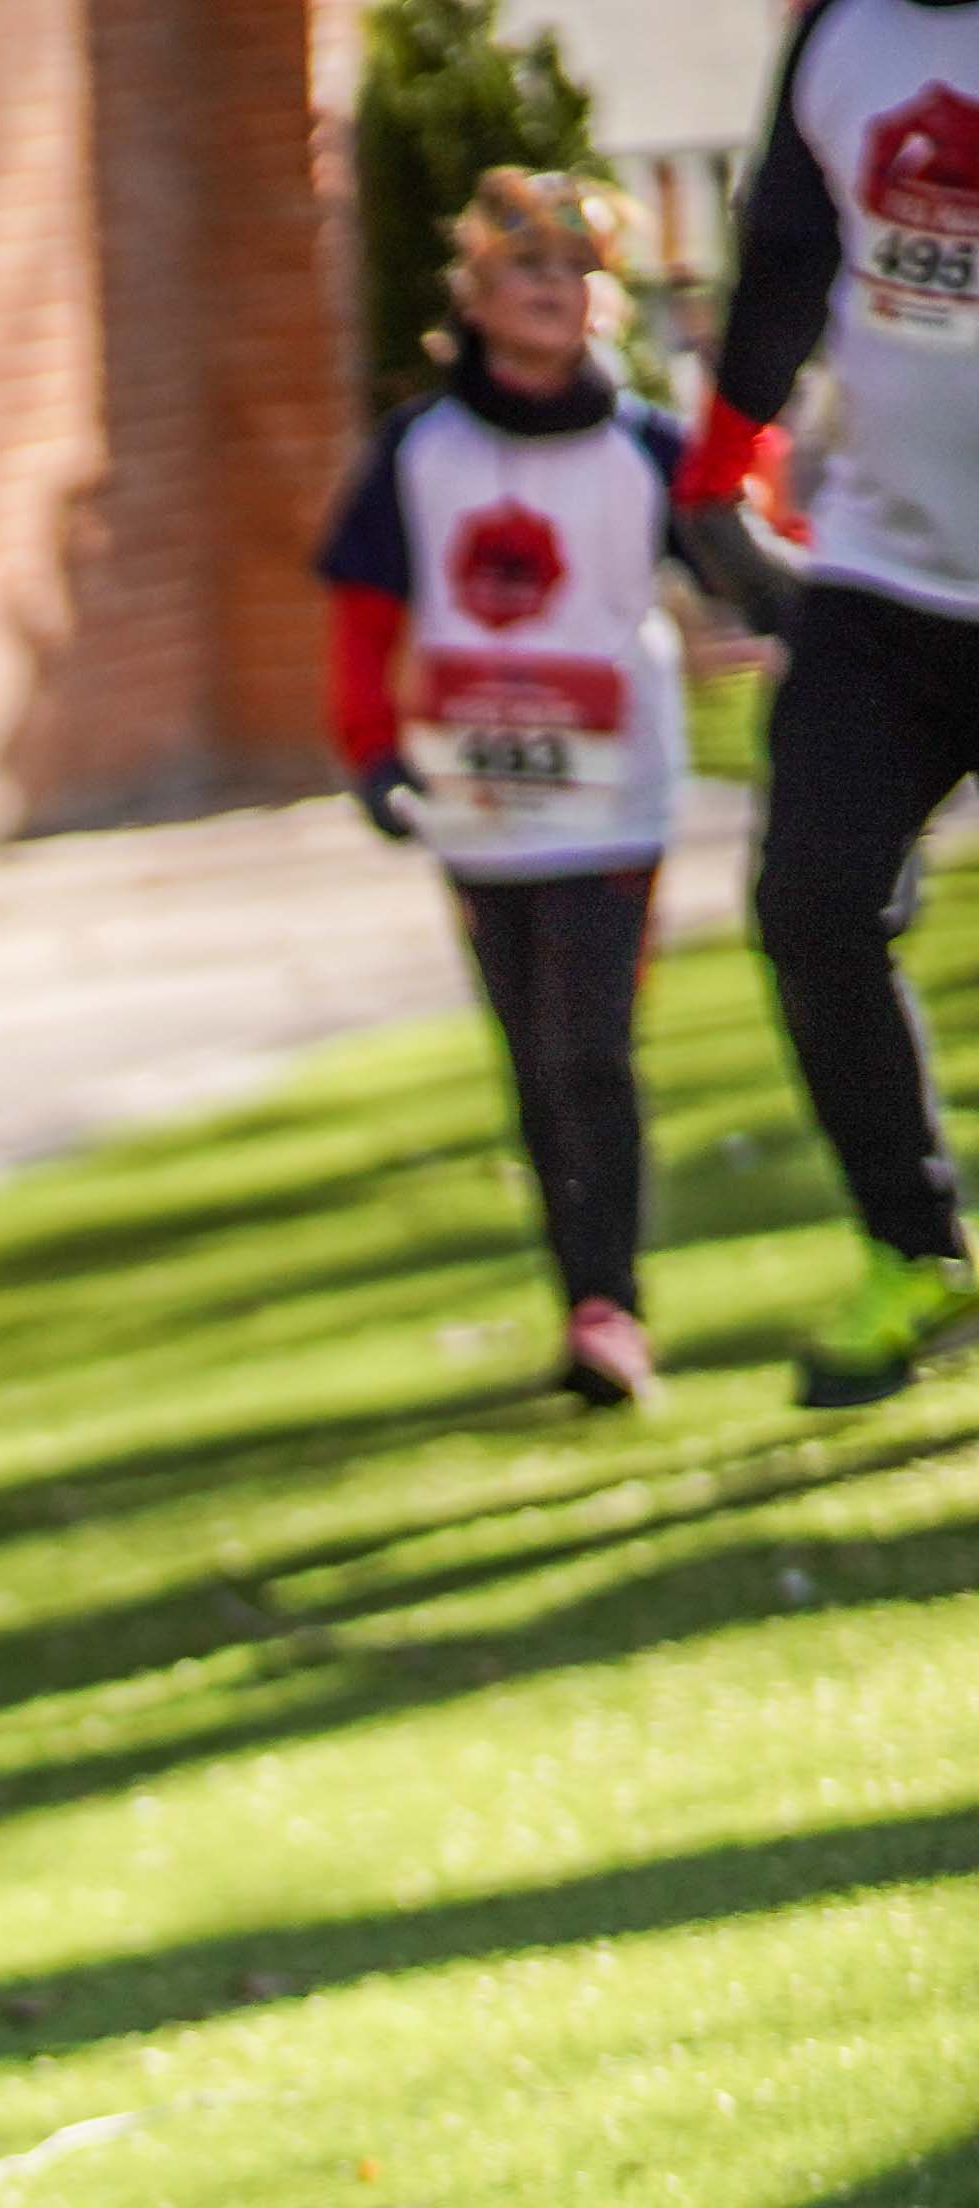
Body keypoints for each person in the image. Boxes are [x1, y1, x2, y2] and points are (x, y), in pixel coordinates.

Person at [323, 169, 701, 1410]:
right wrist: (371, 750)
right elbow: (364, 607)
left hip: (614, 800)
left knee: (595, 1048)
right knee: (534, 1061)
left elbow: (757, 558)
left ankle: (614, 1308)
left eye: (578, 272)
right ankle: (581, 1299)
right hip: (479, 804)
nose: (556, 291)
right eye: (527, 270)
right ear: (475, 299)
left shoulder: (646, 444)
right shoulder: (418, 453)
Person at [680, 0, 979, 1406]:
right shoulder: (839, 34)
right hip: (882, 577)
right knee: (811, 904)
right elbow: (790, 255)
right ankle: (913, 1249)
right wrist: (719, 464)